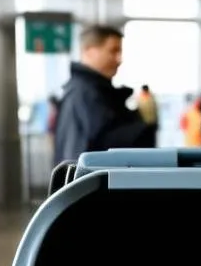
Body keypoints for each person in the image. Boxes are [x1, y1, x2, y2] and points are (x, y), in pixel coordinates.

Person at [52, 25, 156, 165]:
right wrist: (144, 124)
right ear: (88, 51)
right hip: (90, 183)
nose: (119, 59)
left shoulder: (85, 89)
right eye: (113, 51)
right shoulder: (86, 92)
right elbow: (107, 143)